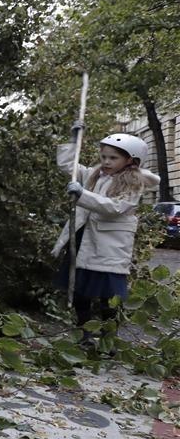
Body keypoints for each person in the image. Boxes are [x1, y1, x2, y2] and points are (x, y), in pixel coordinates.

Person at [52, 131, 161, 344]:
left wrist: (82, 194)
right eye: (104, 157)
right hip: (85, 239)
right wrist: (72, 143)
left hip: (110, 246)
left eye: (113, 158)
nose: (107, 162)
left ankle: (108, 339)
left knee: (108, 297)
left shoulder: (133, 182)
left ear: (130, 160)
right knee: (80, 291)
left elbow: (114, 208)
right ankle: (84, 334)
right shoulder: (95, 174)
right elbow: (69, 167)